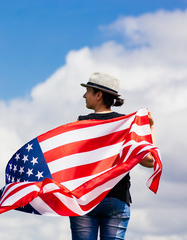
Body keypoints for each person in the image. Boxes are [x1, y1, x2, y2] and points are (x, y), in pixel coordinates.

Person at [69, 72, 155, 240]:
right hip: (116, 198)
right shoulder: (127, 125)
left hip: (85, 198)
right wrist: (150, 128)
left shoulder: (80, 124)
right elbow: (149, 161)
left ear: (98, 95)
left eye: (88, 91)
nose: (84, 95)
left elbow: (69, 161)